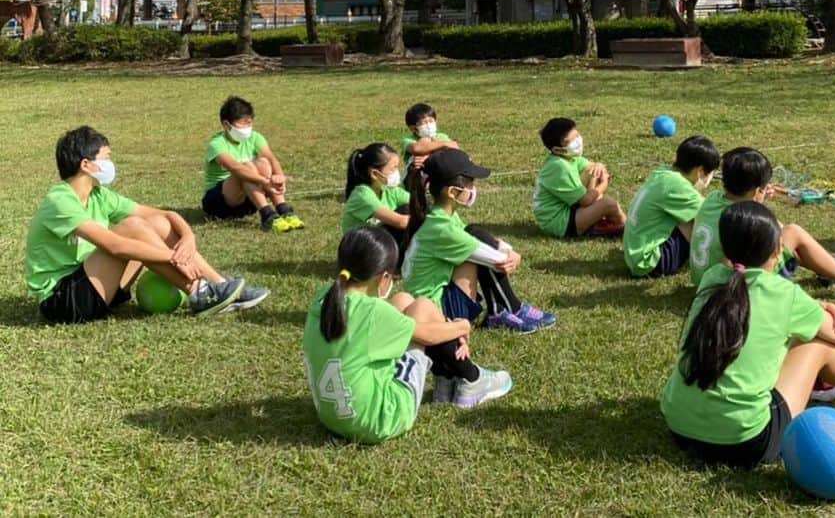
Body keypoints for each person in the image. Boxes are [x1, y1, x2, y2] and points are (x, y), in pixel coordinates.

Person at [661, 202, 835, 468]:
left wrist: (812, 310)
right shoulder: (785, 294)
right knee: (818, 344)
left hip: (679, 429)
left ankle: (822, 384)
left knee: (777, 335)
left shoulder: (712, 278)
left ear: (726, 250)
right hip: (746, 442)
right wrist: (828, 312)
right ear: (777, 250)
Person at [26, 125, 268, 324]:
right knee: (133, 227)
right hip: (63, 301)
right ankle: (198, 292)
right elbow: (115, 247)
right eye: (106, 158)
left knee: (155, 223)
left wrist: (188, 237)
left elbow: (164, 215)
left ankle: (221, 286)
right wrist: (173, 257)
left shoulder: (99, 195)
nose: (111, 164)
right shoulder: (60, 200)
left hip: (97, 285)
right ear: (86, 164)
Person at [303, 227, 512, 432]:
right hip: (380, 421)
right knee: (422, 307)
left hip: (331, 418)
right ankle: (470, 376)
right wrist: (461, 325)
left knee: (403, 299)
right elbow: (428, 336)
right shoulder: (374, 312)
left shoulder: (326, 298)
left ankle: (446, 380)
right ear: (383, 278)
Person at [689, 147, 835, 301]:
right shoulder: (743, 219)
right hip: (732, 293)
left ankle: (827, 267)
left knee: (783, 232)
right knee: (793, 233)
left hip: (705, 283)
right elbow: (772, 239)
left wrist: (756, 199)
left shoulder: (714, 199)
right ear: (756, 190)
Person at [401, 149, 556, 336]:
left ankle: (499, 312)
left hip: (433, 302)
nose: (473, 189)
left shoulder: (441, 217)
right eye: (470, 183)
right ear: (452, 192)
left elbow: (480, 242)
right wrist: (509, 255)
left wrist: (506, 248)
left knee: (474, 235)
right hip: (438, 314)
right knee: (476, 242)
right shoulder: (441, 228)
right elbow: (494, 258)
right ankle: (512, 308)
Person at [202, 96, 304, 233]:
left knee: (263, 162)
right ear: (227, 125)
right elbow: (235, 168)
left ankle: (284, 210)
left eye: (249, 123)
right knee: (246, 168)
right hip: (219, 203)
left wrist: (279, 176)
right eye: (242, 124)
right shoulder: (217, 144)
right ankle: (267, 215)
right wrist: (265, 181)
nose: (247, 128)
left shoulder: (255, 137)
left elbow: (271, 159)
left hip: (248, 200)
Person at [623, 136, 720, 278]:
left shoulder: (663, 173)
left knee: (691, 215)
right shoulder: (677, 185)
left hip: (635, 255)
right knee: (702, 222)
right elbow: (711, 213)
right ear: (699, 171)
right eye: (708, 174)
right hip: (648, 263)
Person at [533, 117, 625, 238]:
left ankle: (614, 226)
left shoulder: (571, 157)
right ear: (557, 150)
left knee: (592, 173)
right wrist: (603, 184)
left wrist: (599, 165)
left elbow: (593, 168)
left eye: (577, 135)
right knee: (608, 204)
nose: (578, 141)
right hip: (558, 222)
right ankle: (629, 230)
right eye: (571, 141)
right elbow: (585, 200)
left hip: (570, 209)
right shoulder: (559, 167)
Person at [342, 143, 411, 252]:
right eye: (393, 169)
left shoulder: (389, 190)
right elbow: (401, 222)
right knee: (406, 218)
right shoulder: (362, 195)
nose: (397, 173)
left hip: (377, 243)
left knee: (410, 208)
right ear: (374, 174)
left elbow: (418, 202)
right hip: (359, 251)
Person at [400, 103, 458, 172]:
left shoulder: (442, 136)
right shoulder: (408, 140)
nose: (429, 125)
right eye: (424, 123)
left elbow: (454, 148)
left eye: (431, 121)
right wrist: (443, 144)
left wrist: (428, 158)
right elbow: (417, 149)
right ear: (413, 128)